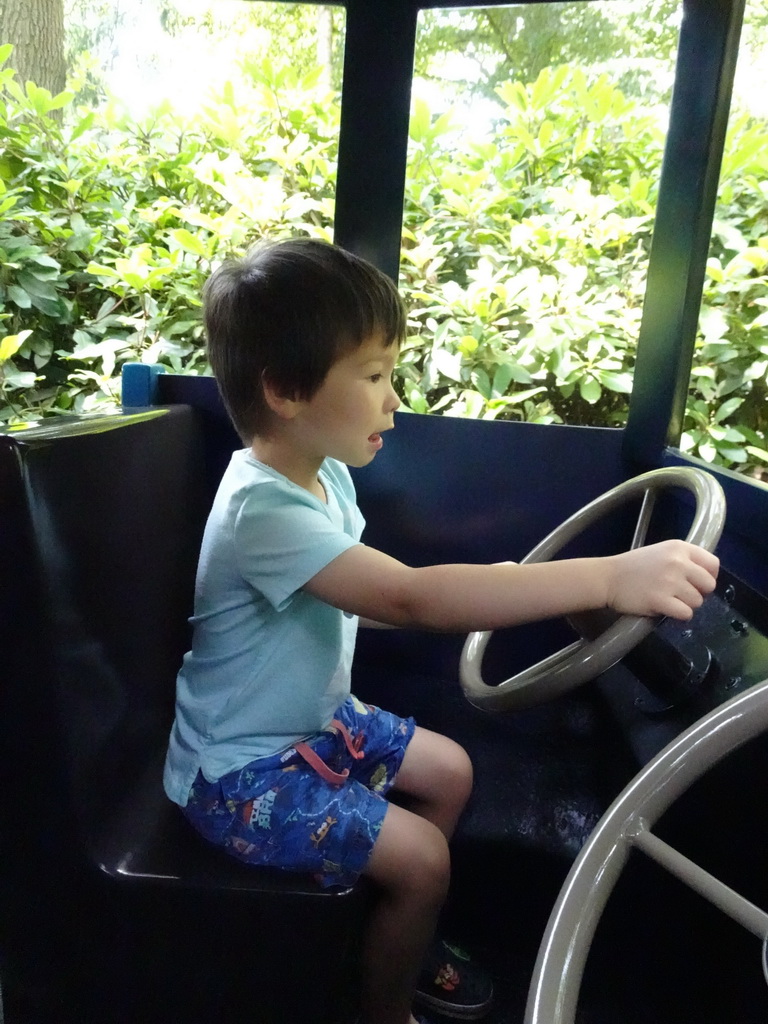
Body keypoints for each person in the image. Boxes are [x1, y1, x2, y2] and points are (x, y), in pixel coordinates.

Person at [163, 237, 720, 1024]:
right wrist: (604, 577)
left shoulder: (318, 477)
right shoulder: (263, 510)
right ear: (287, 389)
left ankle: (399, 927)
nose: (395, 400)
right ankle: (384, 1006)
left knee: (451, 770)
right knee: (424, 858)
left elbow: (375, 584)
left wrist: (503, 586)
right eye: (376, 376)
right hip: (239, 771)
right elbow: (408, 599)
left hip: (305, 725)